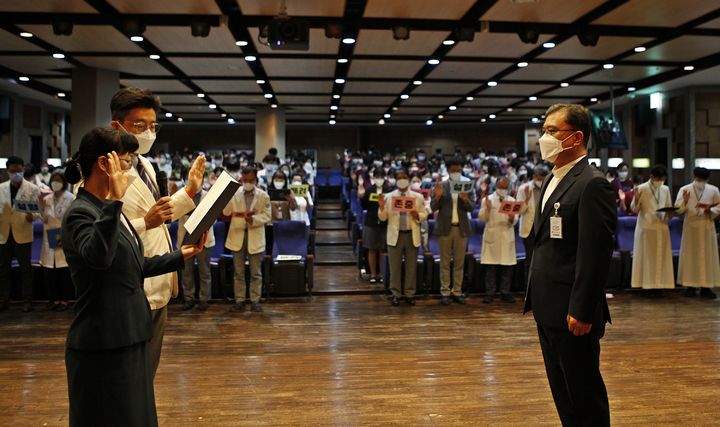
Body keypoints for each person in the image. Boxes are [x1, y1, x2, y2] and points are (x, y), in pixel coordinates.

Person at [61, 127, 206, 427]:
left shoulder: (108, 210)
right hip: (104, 339)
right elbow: (98, 258)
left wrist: (182, 255)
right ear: (105, 164)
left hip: (130, 331)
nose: (130, 171)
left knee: (136, 415)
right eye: (126, 163)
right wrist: (115, 200)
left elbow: (133, 264)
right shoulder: (82, 212)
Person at [524, 104, 616, 426]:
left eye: (552, 131)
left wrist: (582, 308)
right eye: (544, 130)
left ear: (576, 137)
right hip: (548, 305)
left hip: (572, 311)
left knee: (584, 394)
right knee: (563, 394)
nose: (544, 138)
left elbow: (595, 254)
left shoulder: (591, 183)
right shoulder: (552, 178)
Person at [110, 87, 206, 379]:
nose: (149, 133)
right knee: (127, 376)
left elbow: (159, 215)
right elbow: (99, 234)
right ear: (118, 126)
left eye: (153, 126)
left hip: (159, 279)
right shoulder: (103, 170)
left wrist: (190, 191)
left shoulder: (145, 164)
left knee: (146, 374)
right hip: (130, 285)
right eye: (140, 126)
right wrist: (145, 224)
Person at [223, 166, 271, 312]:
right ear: (241, 179)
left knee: (255, 272)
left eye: (251, 180)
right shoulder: (234, 193)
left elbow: (267, 216)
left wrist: (253, 219)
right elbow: (226, 212)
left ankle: (255, 299)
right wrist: (226, 195)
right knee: (238, 271)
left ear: (256, 180)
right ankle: (240, 299)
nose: (248, 182)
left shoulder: (263, 195)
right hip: (237, 235)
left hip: (255, 235)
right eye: (246, 180)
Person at [378, 169, 427, 306]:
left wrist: (416, 215)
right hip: (396, 235)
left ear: (408, 179)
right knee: (395, 267)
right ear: (396, 180)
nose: (402, 179)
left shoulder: (418, 197)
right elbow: (382, 218)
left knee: (411, 267)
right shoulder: (388, 197)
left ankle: (410, 294)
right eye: (399, 177)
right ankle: (396, 294)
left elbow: (424, 215)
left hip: (411, 234)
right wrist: (381, 207)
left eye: (404, 177)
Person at [430, 157, 475, 305]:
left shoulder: (467, 184)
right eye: (454, 170)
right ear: (448, 170)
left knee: (459, 263)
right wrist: (437, 197)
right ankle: (444, 292)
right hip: (445, 228)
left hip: (461, 228)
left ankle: (457, 291)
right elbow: (433, 207)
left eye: (458, 169)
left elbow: (472, 207)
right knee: (444, 263)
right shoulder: (440, 185)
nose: (456, 172)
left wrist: (465, 200)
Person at [0, 155, 40, 312]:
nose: (16, 173)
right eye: (12, 171)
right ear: (8, 171)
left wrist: (32, 216)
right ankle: (4, 299)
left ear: (23, 169)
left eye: (19, 170)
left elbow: (36, 212)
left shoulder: (32, 189)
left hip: (23, 231)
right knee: (3, 269)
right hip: (3, 233)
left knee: (25, 269)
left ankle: (27, 300)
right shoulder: (1, 188)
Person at [675, 167, 720, 299]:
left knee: (707, 256)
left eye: (703, 180)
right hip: (691, 228)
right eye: (699, 179)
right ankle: (690, 286)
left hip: (706, 227)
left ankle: (707, 287)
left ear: (707, 179)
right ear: (694, 177)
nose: (700, 182)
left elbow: (719, 206)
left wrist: (710, 210)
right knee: (690, 256)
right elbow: (678, 210)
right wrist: (685, 201)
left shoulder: (713, 190)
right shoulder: (685, 189)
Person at [630, 165, 675, 294]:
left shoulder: (665, 189)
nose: (661, 181)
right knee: (647, 258)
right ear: (652, 177)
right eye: (658, 178)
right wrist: (637, 199)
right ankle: (646, 287)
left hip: (661, 227)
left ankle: (660, 286)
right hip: (646, 228)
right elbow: (634, 209)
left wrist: (671, 213)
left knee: (661, 257)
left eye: (663, 178)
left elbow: (668, 207)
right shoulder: (641, 188)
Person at [39, 170, 74, 311]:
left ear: (64, 182)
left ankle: (64, 300)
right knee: (50, 271)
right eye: (54, 180)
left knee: (63, 271)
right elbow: (44, 218)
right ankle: (54, 299)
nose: (55, 183)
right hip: (49, 238)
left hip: (63, 237)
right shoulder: (47, 199)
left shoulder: (70, 198)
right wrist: (41, 206)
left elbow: (72, 219)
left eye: (59, 180)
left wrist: (64, 235)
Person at [479, 177, 518, 304]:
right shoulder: (488, 199)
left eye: (505, 187)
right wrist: (488, 209)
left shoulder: (512, 201)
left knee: (507, 268)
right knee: (491, 267)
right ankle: (490, 293)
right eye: (501, 187)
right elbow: (482, 218)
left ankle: (505, 292)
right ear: (496, 187)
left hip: (506, 236)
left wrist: (512, 217)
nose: (502, 190)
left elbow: (515, 221)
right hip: (492, 235)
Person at [177, 188, 216, 311]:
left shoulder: (210, 195)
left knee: (204, 270)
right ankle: (189, 298)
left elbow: (214, 217)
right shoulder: (181, 195)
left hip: (204, 237)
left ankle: (204, 299)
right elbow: (175, 214)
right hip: (186, 237)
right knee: (186, 271)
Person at [516, 165, 549, 287]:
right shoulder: (523, 189)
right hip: (529, 229)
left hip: (545, 229)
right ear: (534, 177)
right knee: (530, 260)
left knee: (545, 260)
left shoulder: (549, 187)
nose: (541, 180)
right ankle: (529, 288)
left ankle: (542, 287)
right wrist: (526, 199)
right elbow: (519, 211)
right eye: (540, 178)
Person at [358, 168, 389, 284]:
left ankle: (381, 274)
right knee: (371, 249)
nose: (380, 179)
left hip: (384, 222)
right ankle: (372, 274)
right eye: (378, 176)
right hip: (371, 222)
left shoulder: (388, 190)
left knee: (381, 249)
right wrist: (361, 196)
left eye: (381, 176)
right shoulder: (369, 190)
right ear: (374, 178)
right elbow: (364, 206)